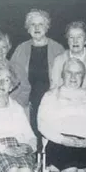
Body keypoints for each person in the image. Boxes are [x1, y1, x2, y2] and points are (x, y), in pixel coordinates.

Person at [10, 9, 64, 148]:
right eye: (33, 24)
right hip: (26, 102)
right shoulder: (21, 49)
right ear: (28, 29)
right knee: (29, 138)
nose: (37, 28)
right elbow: (12, 77)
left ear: (47, 27)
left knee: (49, 139)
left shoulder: (58, 49)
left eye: (41, 24)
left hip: (51, 101)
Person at [51, 21, 86, 105]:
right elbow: (54, 90)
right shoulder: (59, 60)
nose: (75, 41)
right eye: (71, 37)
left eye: (79, 37)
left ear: (85, 40)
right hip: (63, 106)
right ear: (68, 41)